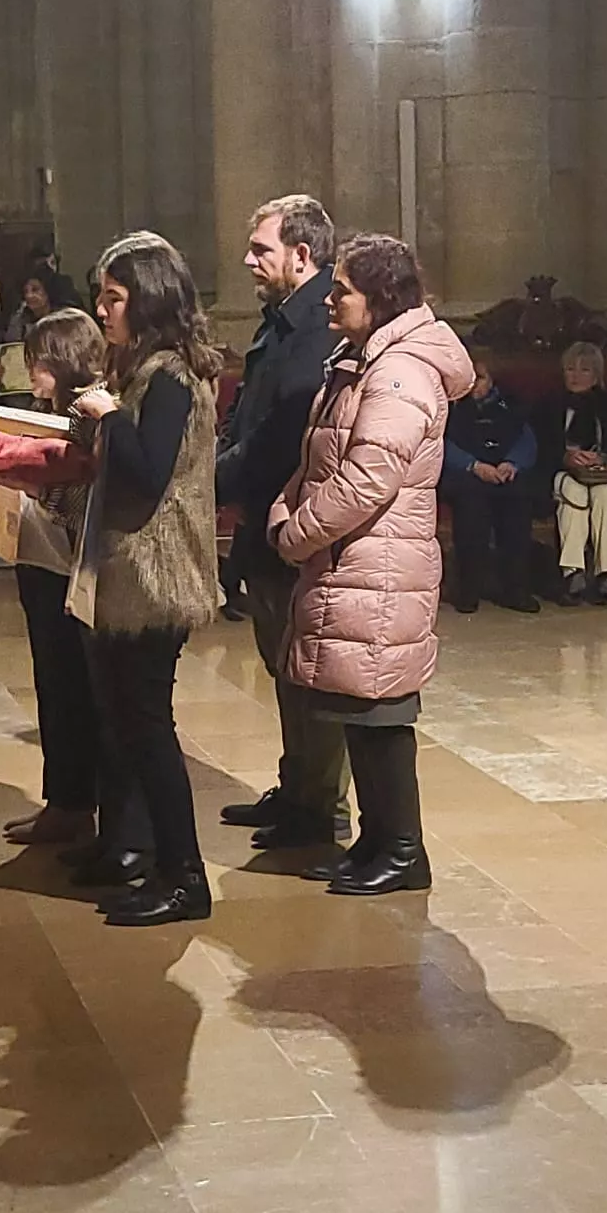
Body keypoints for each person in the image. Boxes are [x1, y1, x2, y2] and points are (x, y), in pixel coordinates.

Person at [269, 233, 473, 899]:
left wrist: (295, 532)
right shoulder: (365, 357)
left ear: (381, 298)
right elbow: (319, 458)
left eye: (343, 291)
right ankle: (377, 842)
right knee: (360, 708)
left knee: (383, 715)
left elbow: (367, 480)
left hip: (379, 565)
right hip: (355, 561)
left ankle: (404, 852)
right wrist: (287, 504)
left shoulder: (399, 371)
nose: (330, 301)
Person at [71, 232, 222, 928]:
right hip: (132, 569)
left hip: (157, 573)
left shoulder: (169, 378)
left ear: (149, 301)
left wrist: (108, 417)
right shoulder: (144, 369)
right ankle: (151, 858)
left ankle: (183, 875)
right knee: (129, 725)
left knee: (150, 731)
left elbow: (148, 470)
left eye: (115, 299)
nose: (104, 311)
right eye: (101, 298)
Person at [215, 194, 352, 851]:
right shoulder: (283, 320)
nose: (248, 260)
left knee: (309, 673)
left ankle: (322, 809)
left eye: (260, 249)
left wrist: (206, 479)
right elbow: (249, 418)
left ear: (302, 255)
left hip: (294, 525)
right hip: (266, 521)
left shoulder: (318, 329)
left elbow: (280, 439)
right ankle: (297, 788)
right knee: (283, 667)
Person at [3, 308, 105, 845]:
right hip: (41, 564)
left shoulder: (91, 412)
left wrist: (40, 487)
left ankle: (81, 807)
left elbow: (88, 493)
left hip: (74, 566)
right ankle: (63, 802)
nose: (30, 373)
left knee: (78, 691)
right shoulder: (48, 410)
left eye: (36, 362)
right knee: (53, 685)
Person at [534, 341, 607, 604]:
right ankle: (575, 572)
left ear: (597, 374)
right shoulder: (550, 404)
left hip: (605, 474)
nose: (575, 376)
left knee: (606, 497)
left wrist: (602, 457)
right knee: (575, 496)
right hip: (564, 472)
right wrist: (567, 456)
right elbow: (540, 447)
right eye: (570, 369)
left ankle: (603, 573)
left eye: (584, 370)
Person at [441, 351, 539, 614]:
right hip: (466, 473)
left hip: (504, 471)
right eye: (469, 378)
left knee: (518, 504)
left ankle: (516, 589)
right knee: (472, 507)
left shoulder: (511, 405)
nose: (474, 385)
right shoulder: (449, 407)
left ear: (492, 381)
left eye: (480, 378)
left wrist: (512, 464)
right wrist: (473, 465)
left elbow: (526, 440)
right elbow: (442, 444)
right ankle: (468, 590)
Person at [3, 263, 73, 343]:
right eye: (25, 291)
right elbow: (11, 347)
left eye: (35, 290)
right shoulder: (19, 318)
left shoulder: (63, 319)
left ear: (48, 291)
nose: (29, 296)